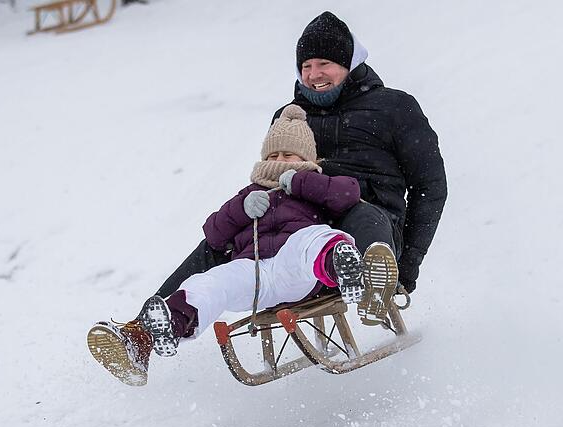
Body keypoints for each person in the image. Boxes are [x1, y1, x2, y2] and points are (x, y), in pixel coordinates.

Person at [88, 105, 398, 386]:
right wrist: (240, 208)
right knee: (211, 282)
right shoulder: (250, 192)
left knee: (311, 240)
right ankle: (172, 323)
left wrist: (302, 182)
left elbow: (347, 195)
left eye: (289, 156)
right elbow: (214, 234)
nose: (279, 162)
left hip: (296, 270)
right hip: (253, 270)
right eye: (273, 156)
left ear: (307, 160)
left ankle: (345, 268)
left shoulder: (315, 184)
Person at [154, 11, 447, 297]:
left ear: (349, 63)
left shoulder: (393, 108)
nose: (314, 74)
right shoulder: (289, 118)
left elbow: (429, 187)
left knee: (362, 215)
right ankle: (144, 328)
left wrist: (408, 265)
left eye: (325, 63)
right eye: (306, 65)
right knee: (218, 241)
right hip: (298, 223)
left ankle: (374, 285)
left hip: (369, 222)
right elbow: (270, 173)